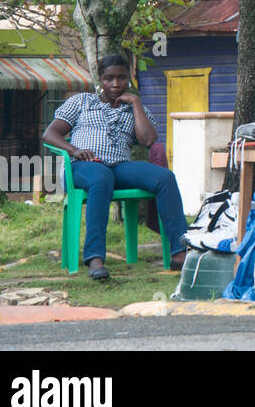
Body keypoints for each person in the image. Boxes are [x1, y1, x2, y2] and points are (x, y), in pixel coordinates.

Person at [43, 54, 189, 280]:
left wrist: (136, 103)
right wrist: (74, 151)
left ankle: (179, 252)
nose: (115, 84)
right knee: (101, 178)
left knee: (164, 177)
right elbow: (50, 134)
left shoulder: (134, 109)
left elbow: (149, 140)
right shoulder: (82, 101)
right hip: (83, 166)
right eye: (109, 78)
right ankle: (95, 258)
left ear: (129, 79)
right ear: (100, 80)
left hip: (119, 167)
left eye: (121, 78)